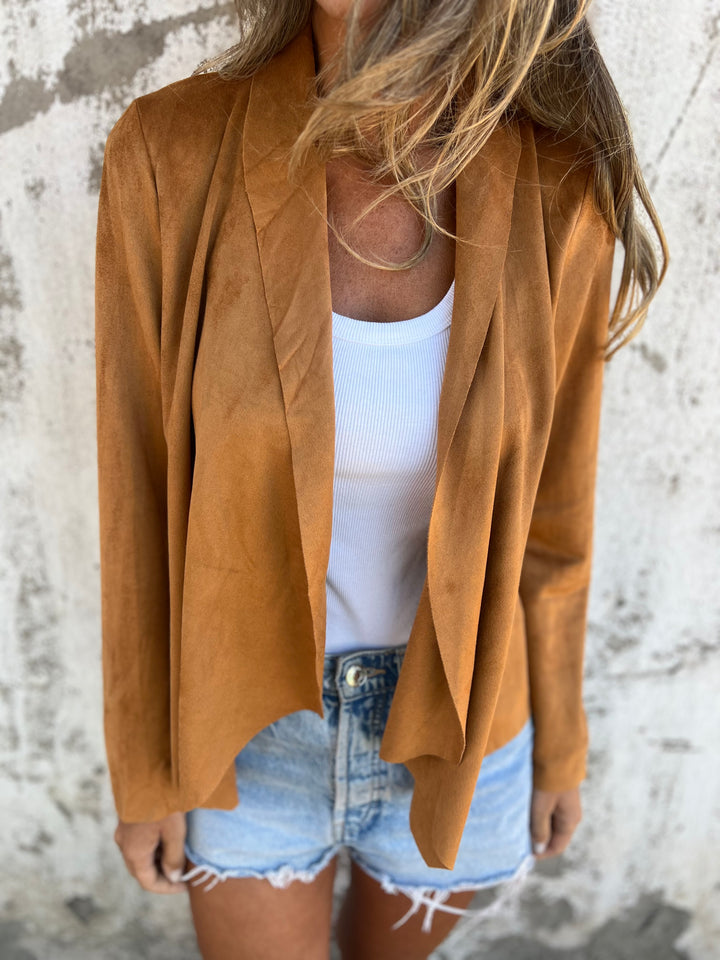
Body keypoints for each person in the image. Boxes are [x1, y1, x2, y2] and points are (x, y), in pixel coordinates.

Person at [94, 1, 668, 958]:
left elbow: (556, 509)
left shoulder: (559, 185)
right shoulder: (169, 151)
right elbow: (137, 492)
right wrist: (144, 767)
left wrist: (560, 743)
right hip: (242, 729)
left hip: (464, 725)